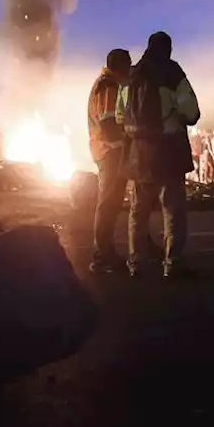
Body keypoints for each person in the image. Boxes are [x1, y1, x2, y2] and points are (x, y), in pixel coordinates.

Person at [117, 31, 200, 279]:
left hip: (139, 154)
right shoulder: (173, 73)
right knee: (173, 210)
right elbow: (191, 112)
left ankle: (136, 263)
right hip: (168, 152)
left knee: (138, 210)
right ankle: (172, 263)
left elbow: (120, 116)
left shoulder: (130, 77)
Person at [87, 48, 132, 274]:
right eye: (128, 65)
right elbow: (108, 123)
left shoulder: (107, 84)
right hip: (110, 152)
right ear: (120, 66)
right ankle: (102, 256)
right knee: (108, 204)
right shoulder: (108, 86)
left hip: (108, 151)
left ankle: (105, 254)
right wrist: (129, 135)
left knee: (111, 204)